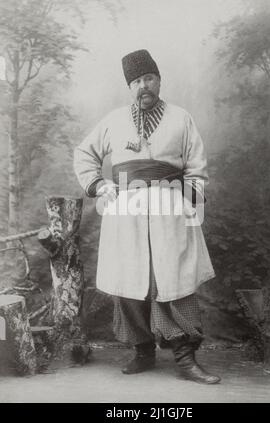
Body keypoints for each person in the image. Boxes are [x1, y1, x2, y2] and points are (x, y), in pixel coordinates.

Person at [73, 49, 221, 384]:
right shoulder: (113, 120)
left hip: (171, 210)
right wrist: (98, 184)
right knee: (130, 282)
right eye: (137, 81)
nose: (144, 86)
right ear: (130, 86)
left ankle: (186, 358)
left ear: (158, 80)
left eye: (149, 78)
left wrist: (190, 203)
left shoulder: (181, 118)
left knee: (172, 281)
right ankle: (143, 351)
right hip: (126, 213)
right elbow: (84, 153)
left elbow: (197, 167)